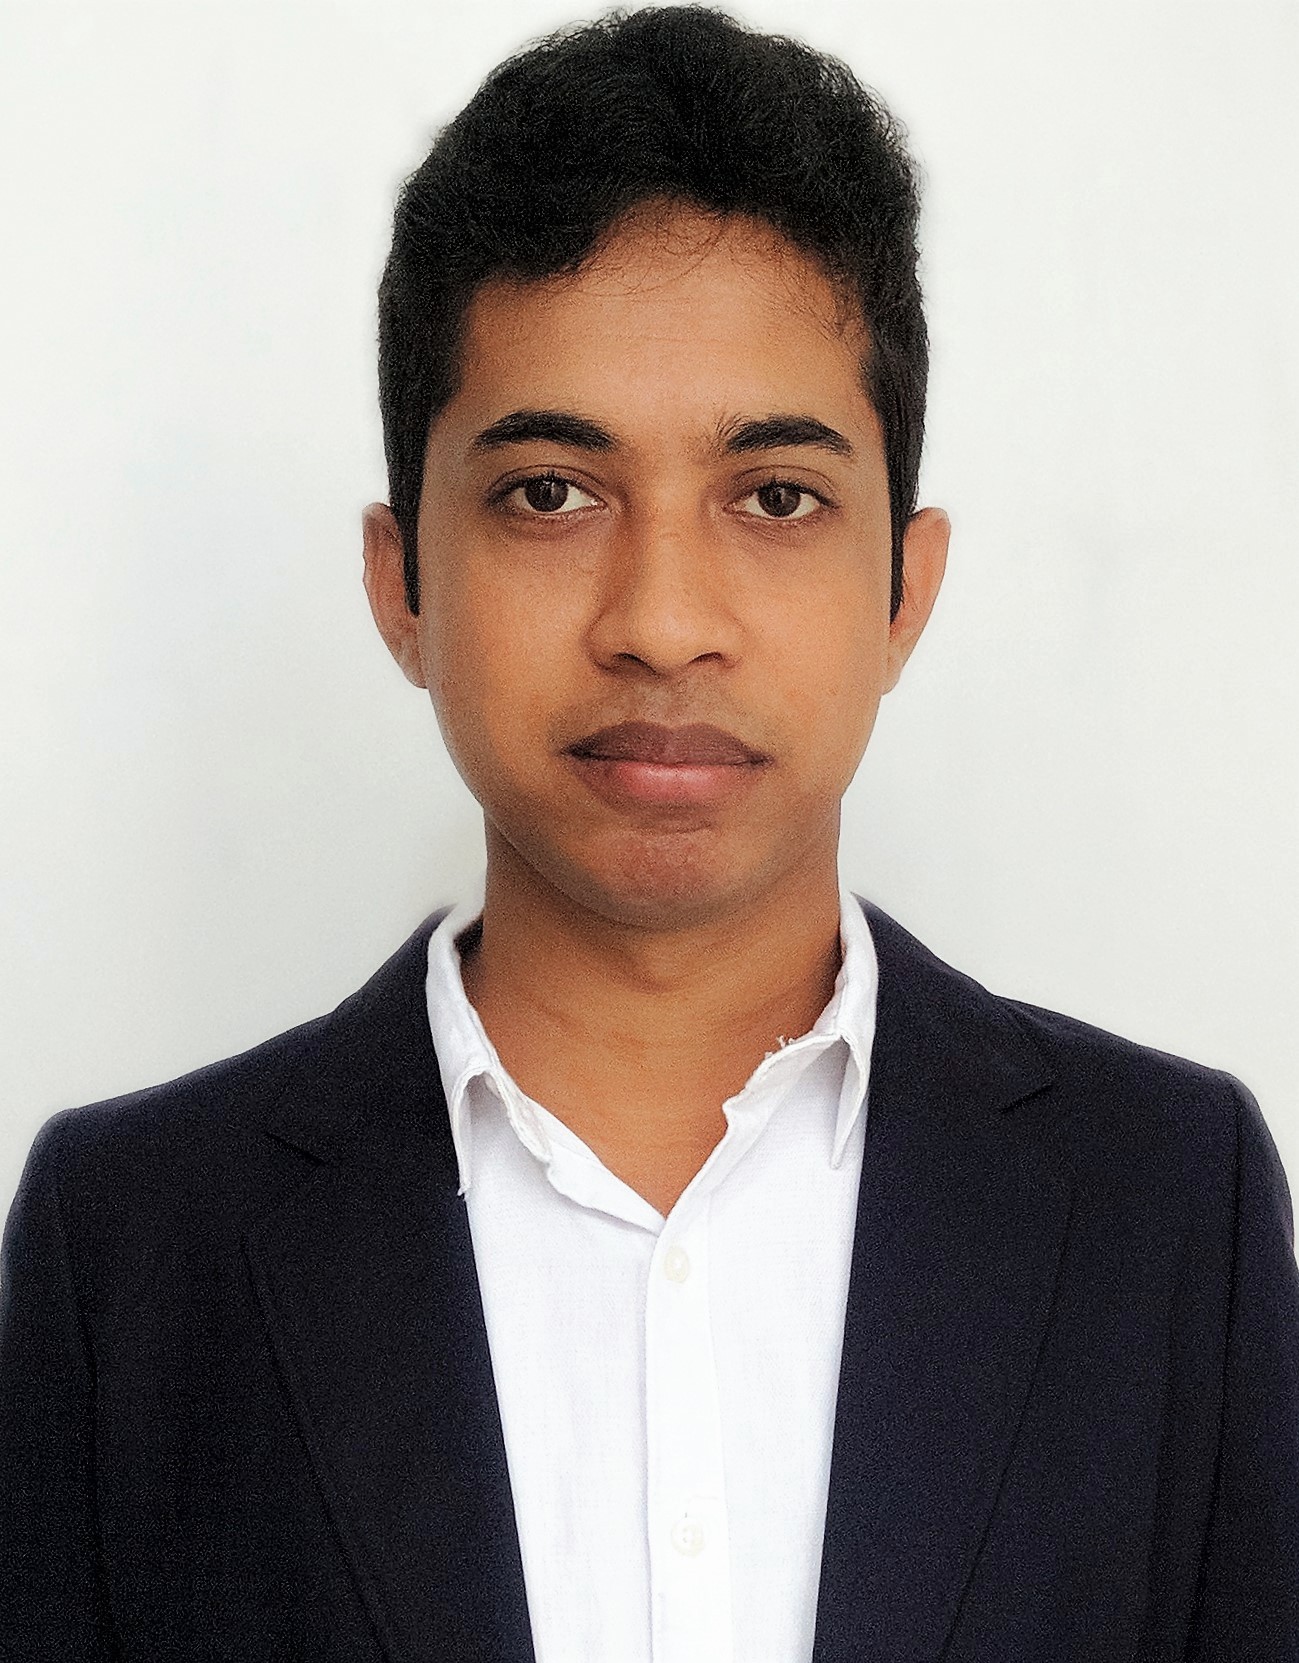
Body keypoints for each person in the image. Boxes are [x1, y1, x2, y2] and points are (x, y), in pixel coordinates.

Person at [2, 5, 1295, 1659]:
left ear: (906, 590)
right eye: (551, 491)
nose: (664, 622)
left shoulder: (1169, 1206)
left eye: (776, 496)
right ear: (404, 586)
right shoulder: (130, 1244)